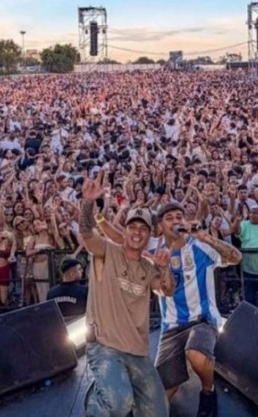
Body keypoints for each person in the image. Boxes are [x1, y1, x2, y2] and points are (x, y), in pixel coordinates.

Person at [80, 170, 173, 417]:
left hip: (138, 350)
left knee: (159, 412)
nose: (137, 232)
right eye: (132, 226)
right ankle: (94, 406)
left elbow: (166, 290)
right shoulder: (107, 251)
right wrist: (88, 203)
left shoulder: (148, 267)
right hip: (105, 345)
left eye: (143, 229)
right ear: (126, 229)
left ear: (150, 235)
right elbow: (87, 233)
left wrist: (164, 269)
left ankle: (108, 390)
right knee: (118, 404)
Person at [152, 202, 242, 417]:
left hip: (203, 319)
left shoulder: (200, 246)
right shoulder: (155, 254)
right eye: (169, 218)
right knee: (160, 394)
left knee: (196, 353)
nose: (176, 221)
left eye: (179, 216)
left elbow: (236, 258)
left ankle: (208, 392)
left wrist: (207, 237)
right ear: (160, 226)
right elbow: (164, 292)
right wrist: (163, 269)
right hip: (171, 326)